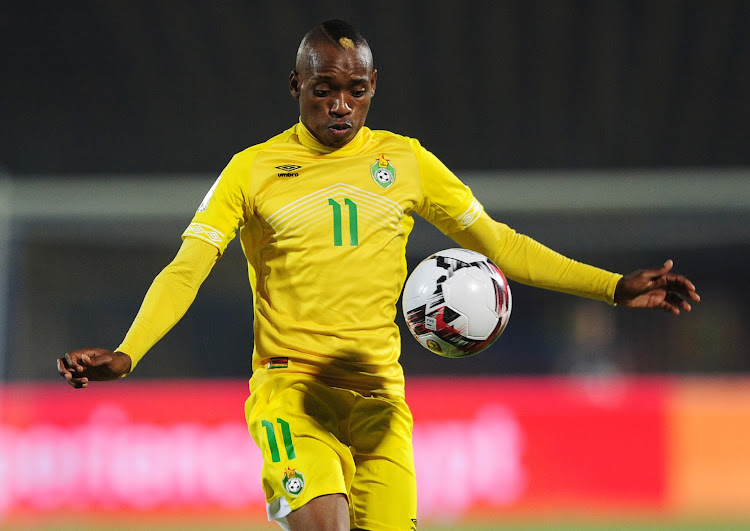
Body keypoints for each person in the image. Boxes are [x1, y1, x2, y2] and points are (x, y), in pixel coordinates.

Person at [57, 19, 700, 531]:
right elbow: (187, 267)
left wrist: (612, 286)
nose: (341, 105)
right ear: (295, 86)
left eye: (355, 90)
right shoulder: (250, 171)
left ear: (372, 85)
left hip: (381, 404)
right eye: (324, 89)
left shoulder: (408, 162)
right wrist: (128, 351)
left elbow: (500, 243)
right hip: (292, 393)